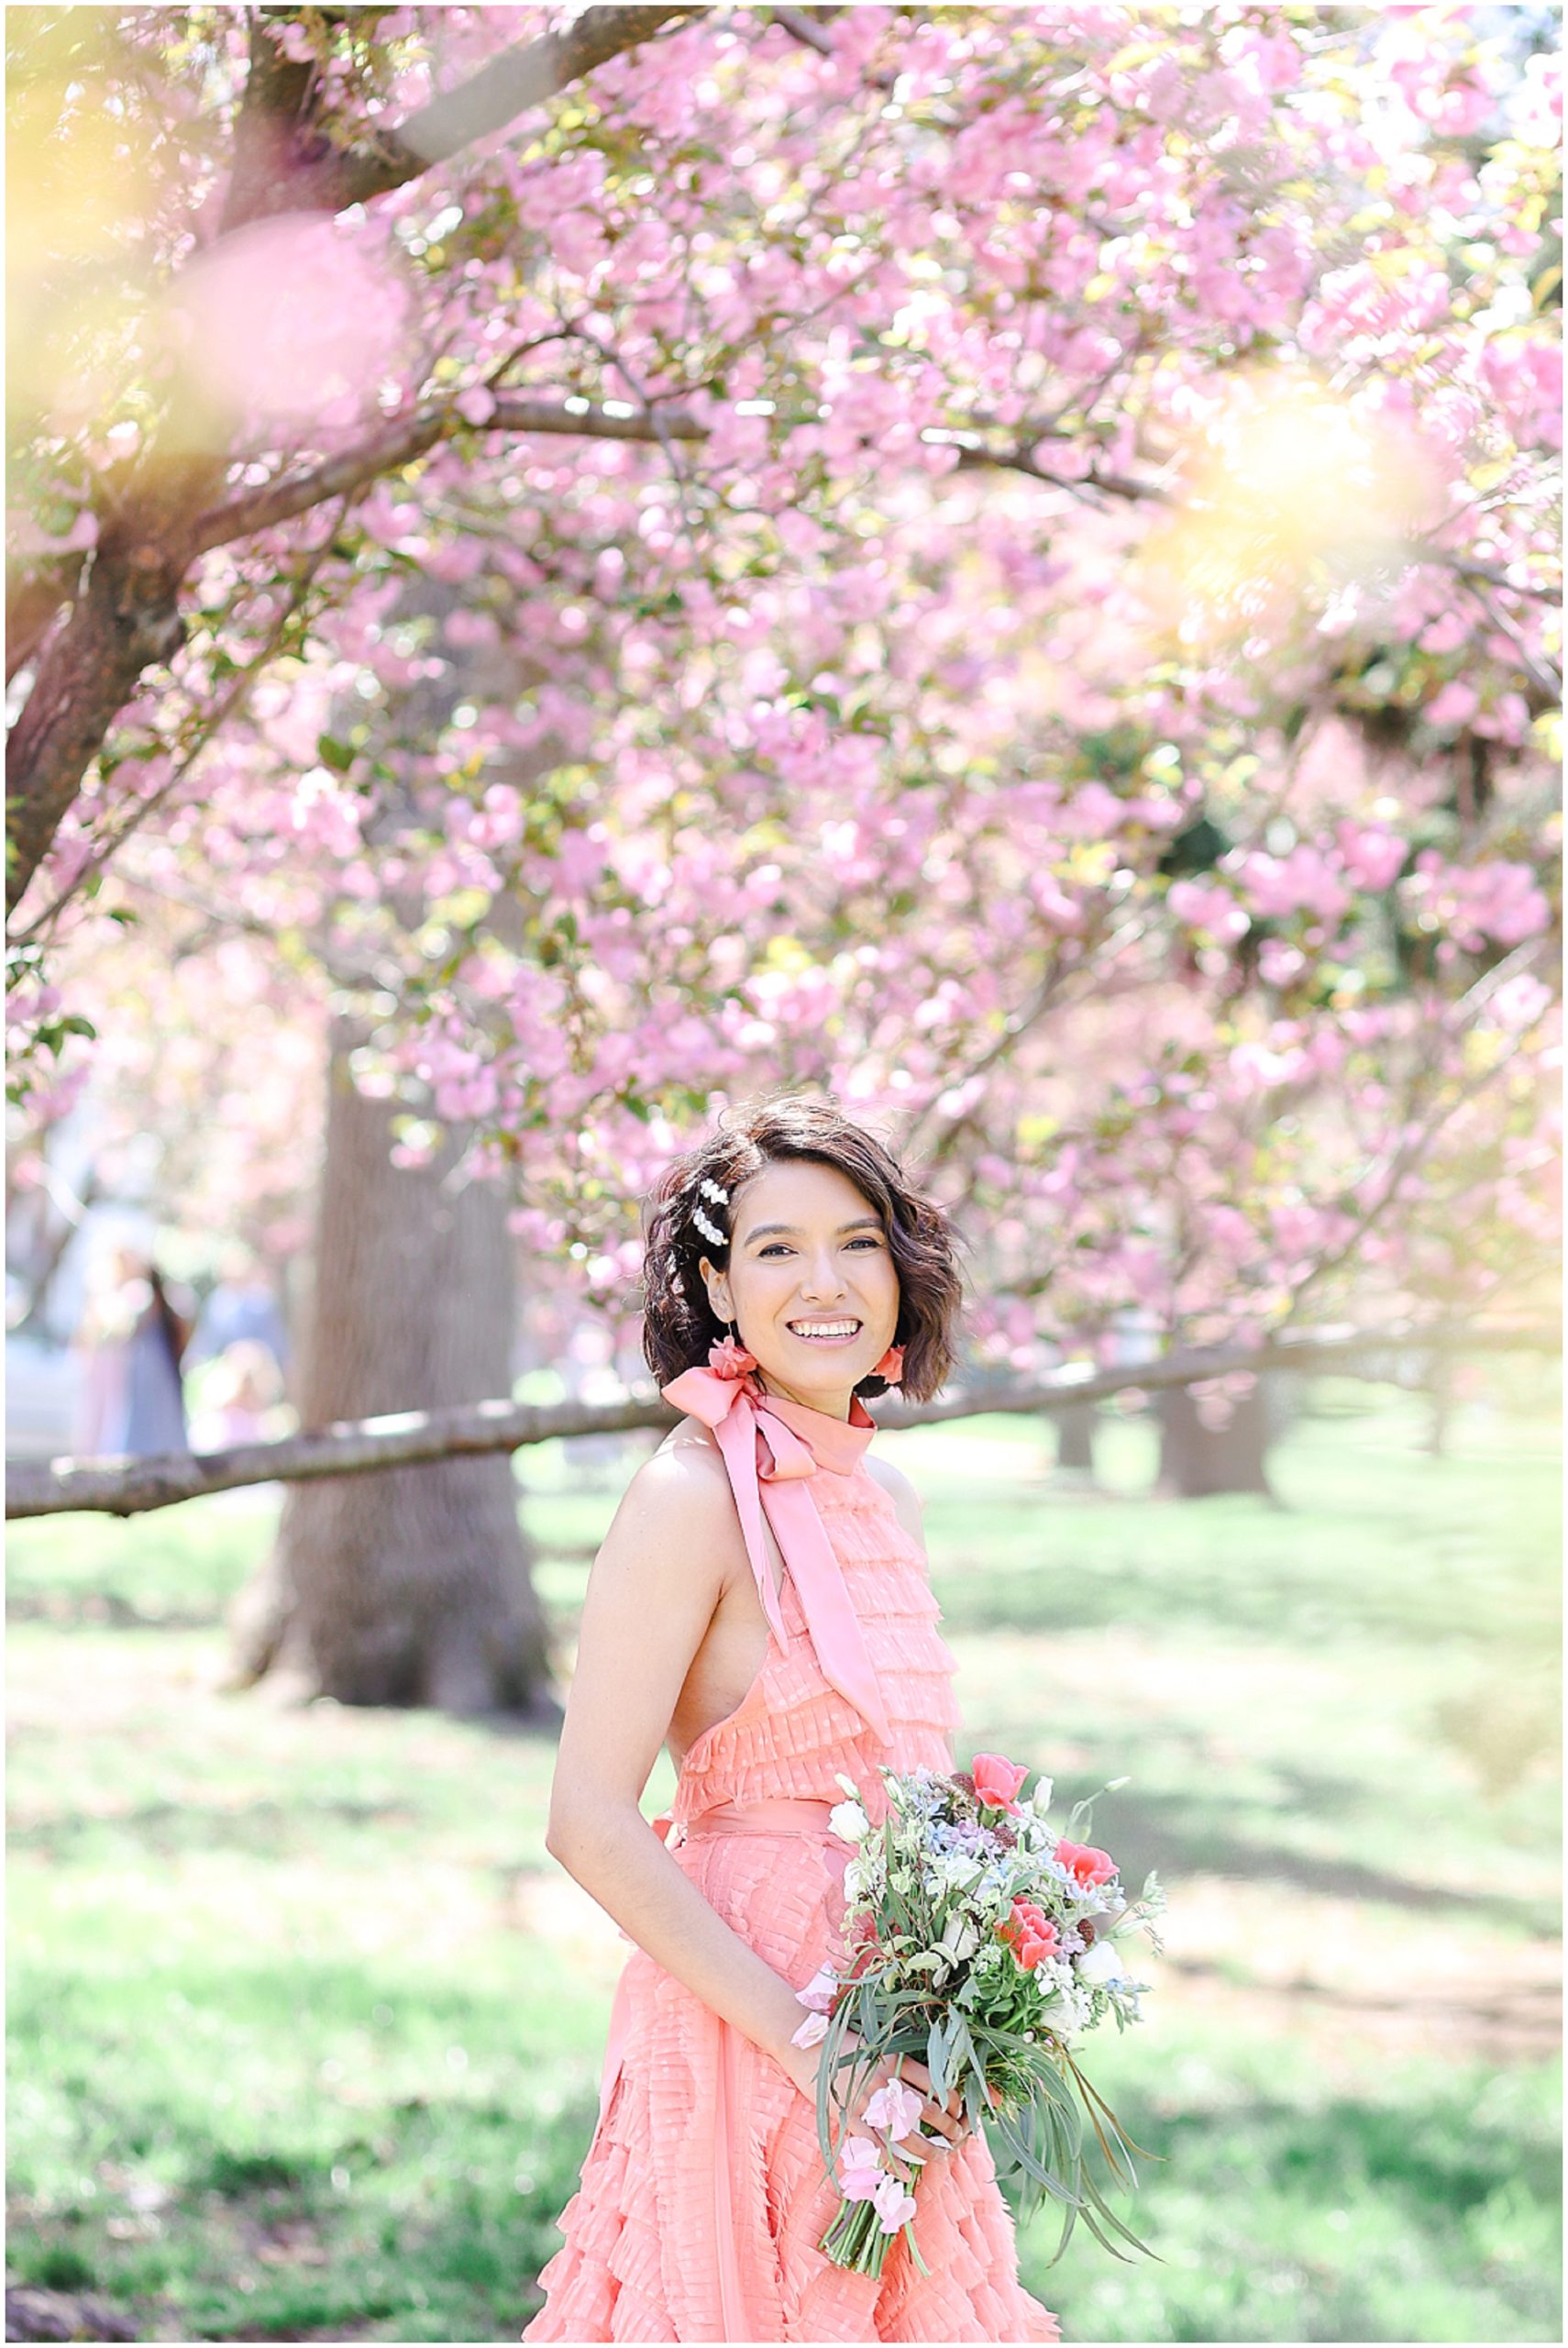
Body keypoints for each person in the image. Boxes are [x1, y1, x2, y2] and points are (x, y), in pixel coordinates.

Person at [524, 1095, 1062, 2343]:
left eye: (855, 1241)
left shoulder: (890, 1499)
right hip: (751, 2027)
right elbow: (587, 1818)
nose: (823, 1281)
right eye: (774, 1249)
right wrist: (819, 2051)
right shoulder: (686, 1496)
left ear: (900, 1267)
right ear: (717, 1287)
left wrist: (972, 1982)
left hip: (898, 2038)